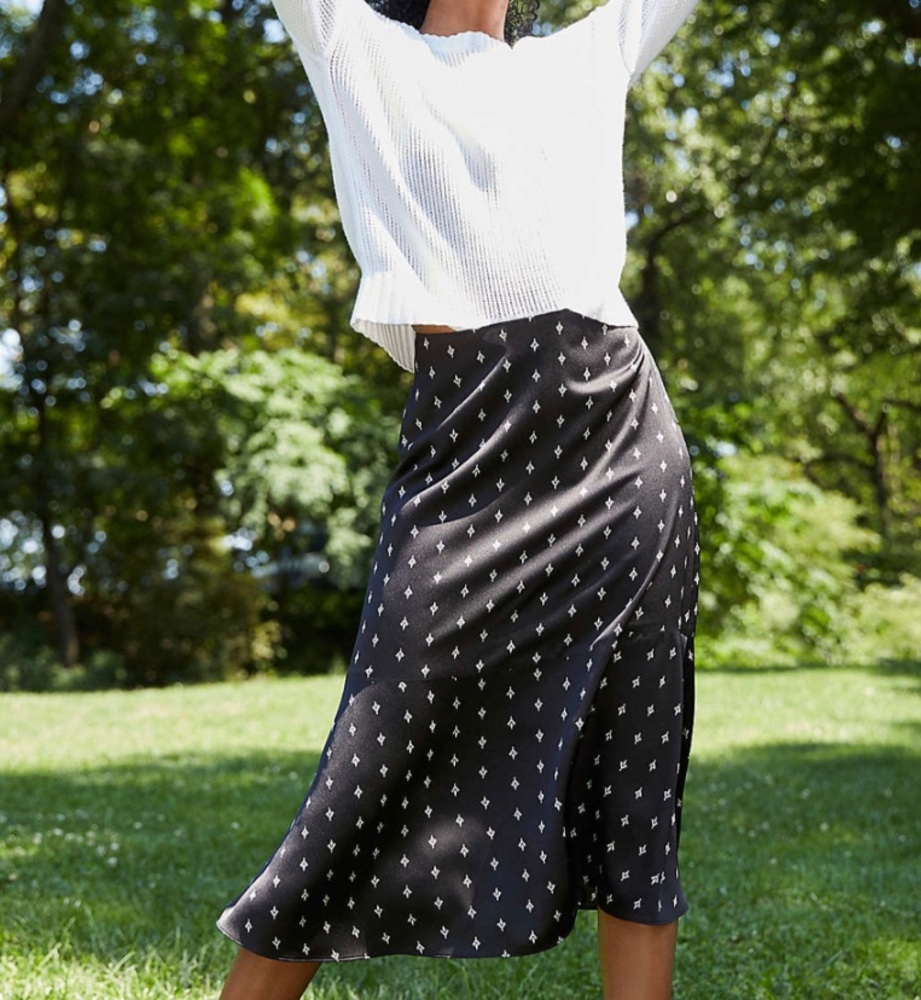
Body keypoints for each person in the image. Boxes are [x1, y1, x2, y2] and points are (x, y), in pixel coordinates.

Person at [216, 0, 700, 995]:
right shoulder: (351, 41)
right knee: (365, 774)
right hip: (466, 450)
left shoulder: (590, 52)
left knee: (637, 787)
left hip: (622, 440)